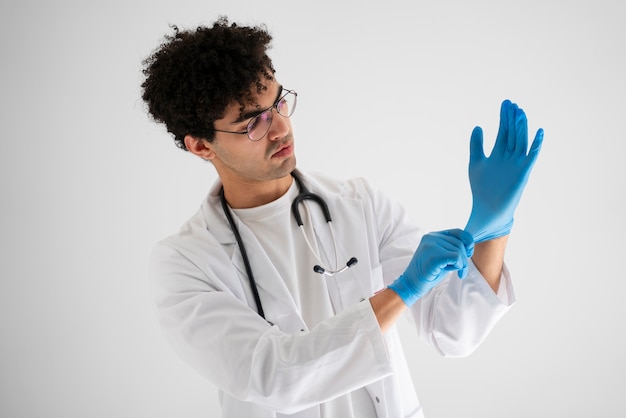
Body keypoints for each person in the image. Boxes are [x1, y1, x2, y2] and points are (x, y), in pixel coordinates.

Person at [141, 16, 543, 418]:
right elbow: (274, 376)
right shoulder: (185, 264)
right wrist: (401, 291)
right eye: (253, 122)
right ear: (200, 146)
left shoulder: (359, 204)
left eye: (279, 102)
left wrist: (493, 226)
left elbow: (453, 331)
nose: (281, 127)